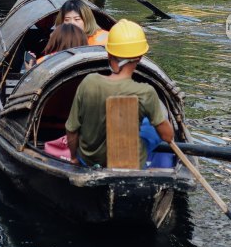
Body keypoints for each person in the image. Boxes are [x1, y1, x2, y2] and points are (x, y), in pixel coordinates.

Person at [65, 20, 174, 167]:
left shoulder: (88, 82)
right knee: (152, 123)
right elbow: (168, 136)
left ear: (109, 55)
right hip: (130, 162)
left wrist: (73, 158)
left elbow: (71, 130)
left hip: (88, 160)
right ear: (140, 58)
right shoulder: (146, 93)